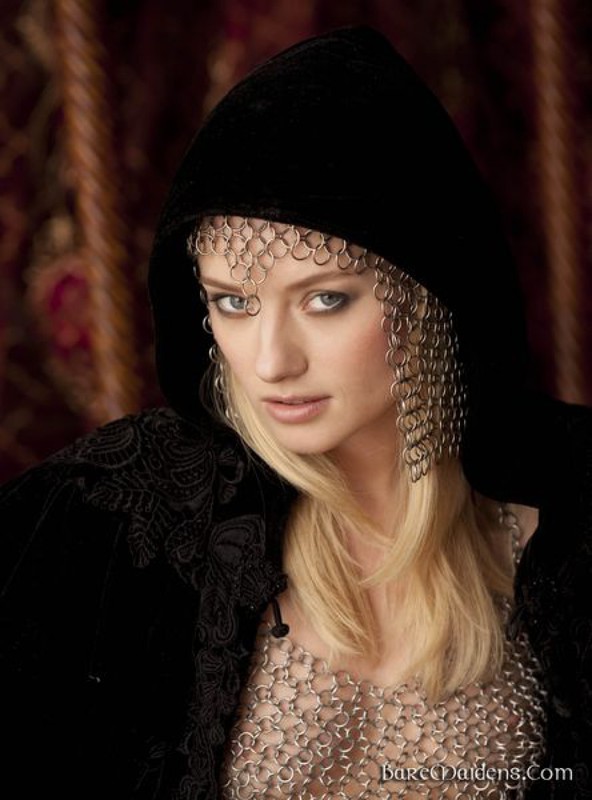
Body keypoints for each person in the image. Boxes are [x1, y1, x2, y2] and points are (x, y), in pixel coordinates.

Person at [0, 24, 591, 800]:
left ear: (430, 298)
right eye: (233, 303)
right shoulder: (125, 514)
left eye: (325, 300)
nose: (272, 361)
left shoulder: (568, 528)